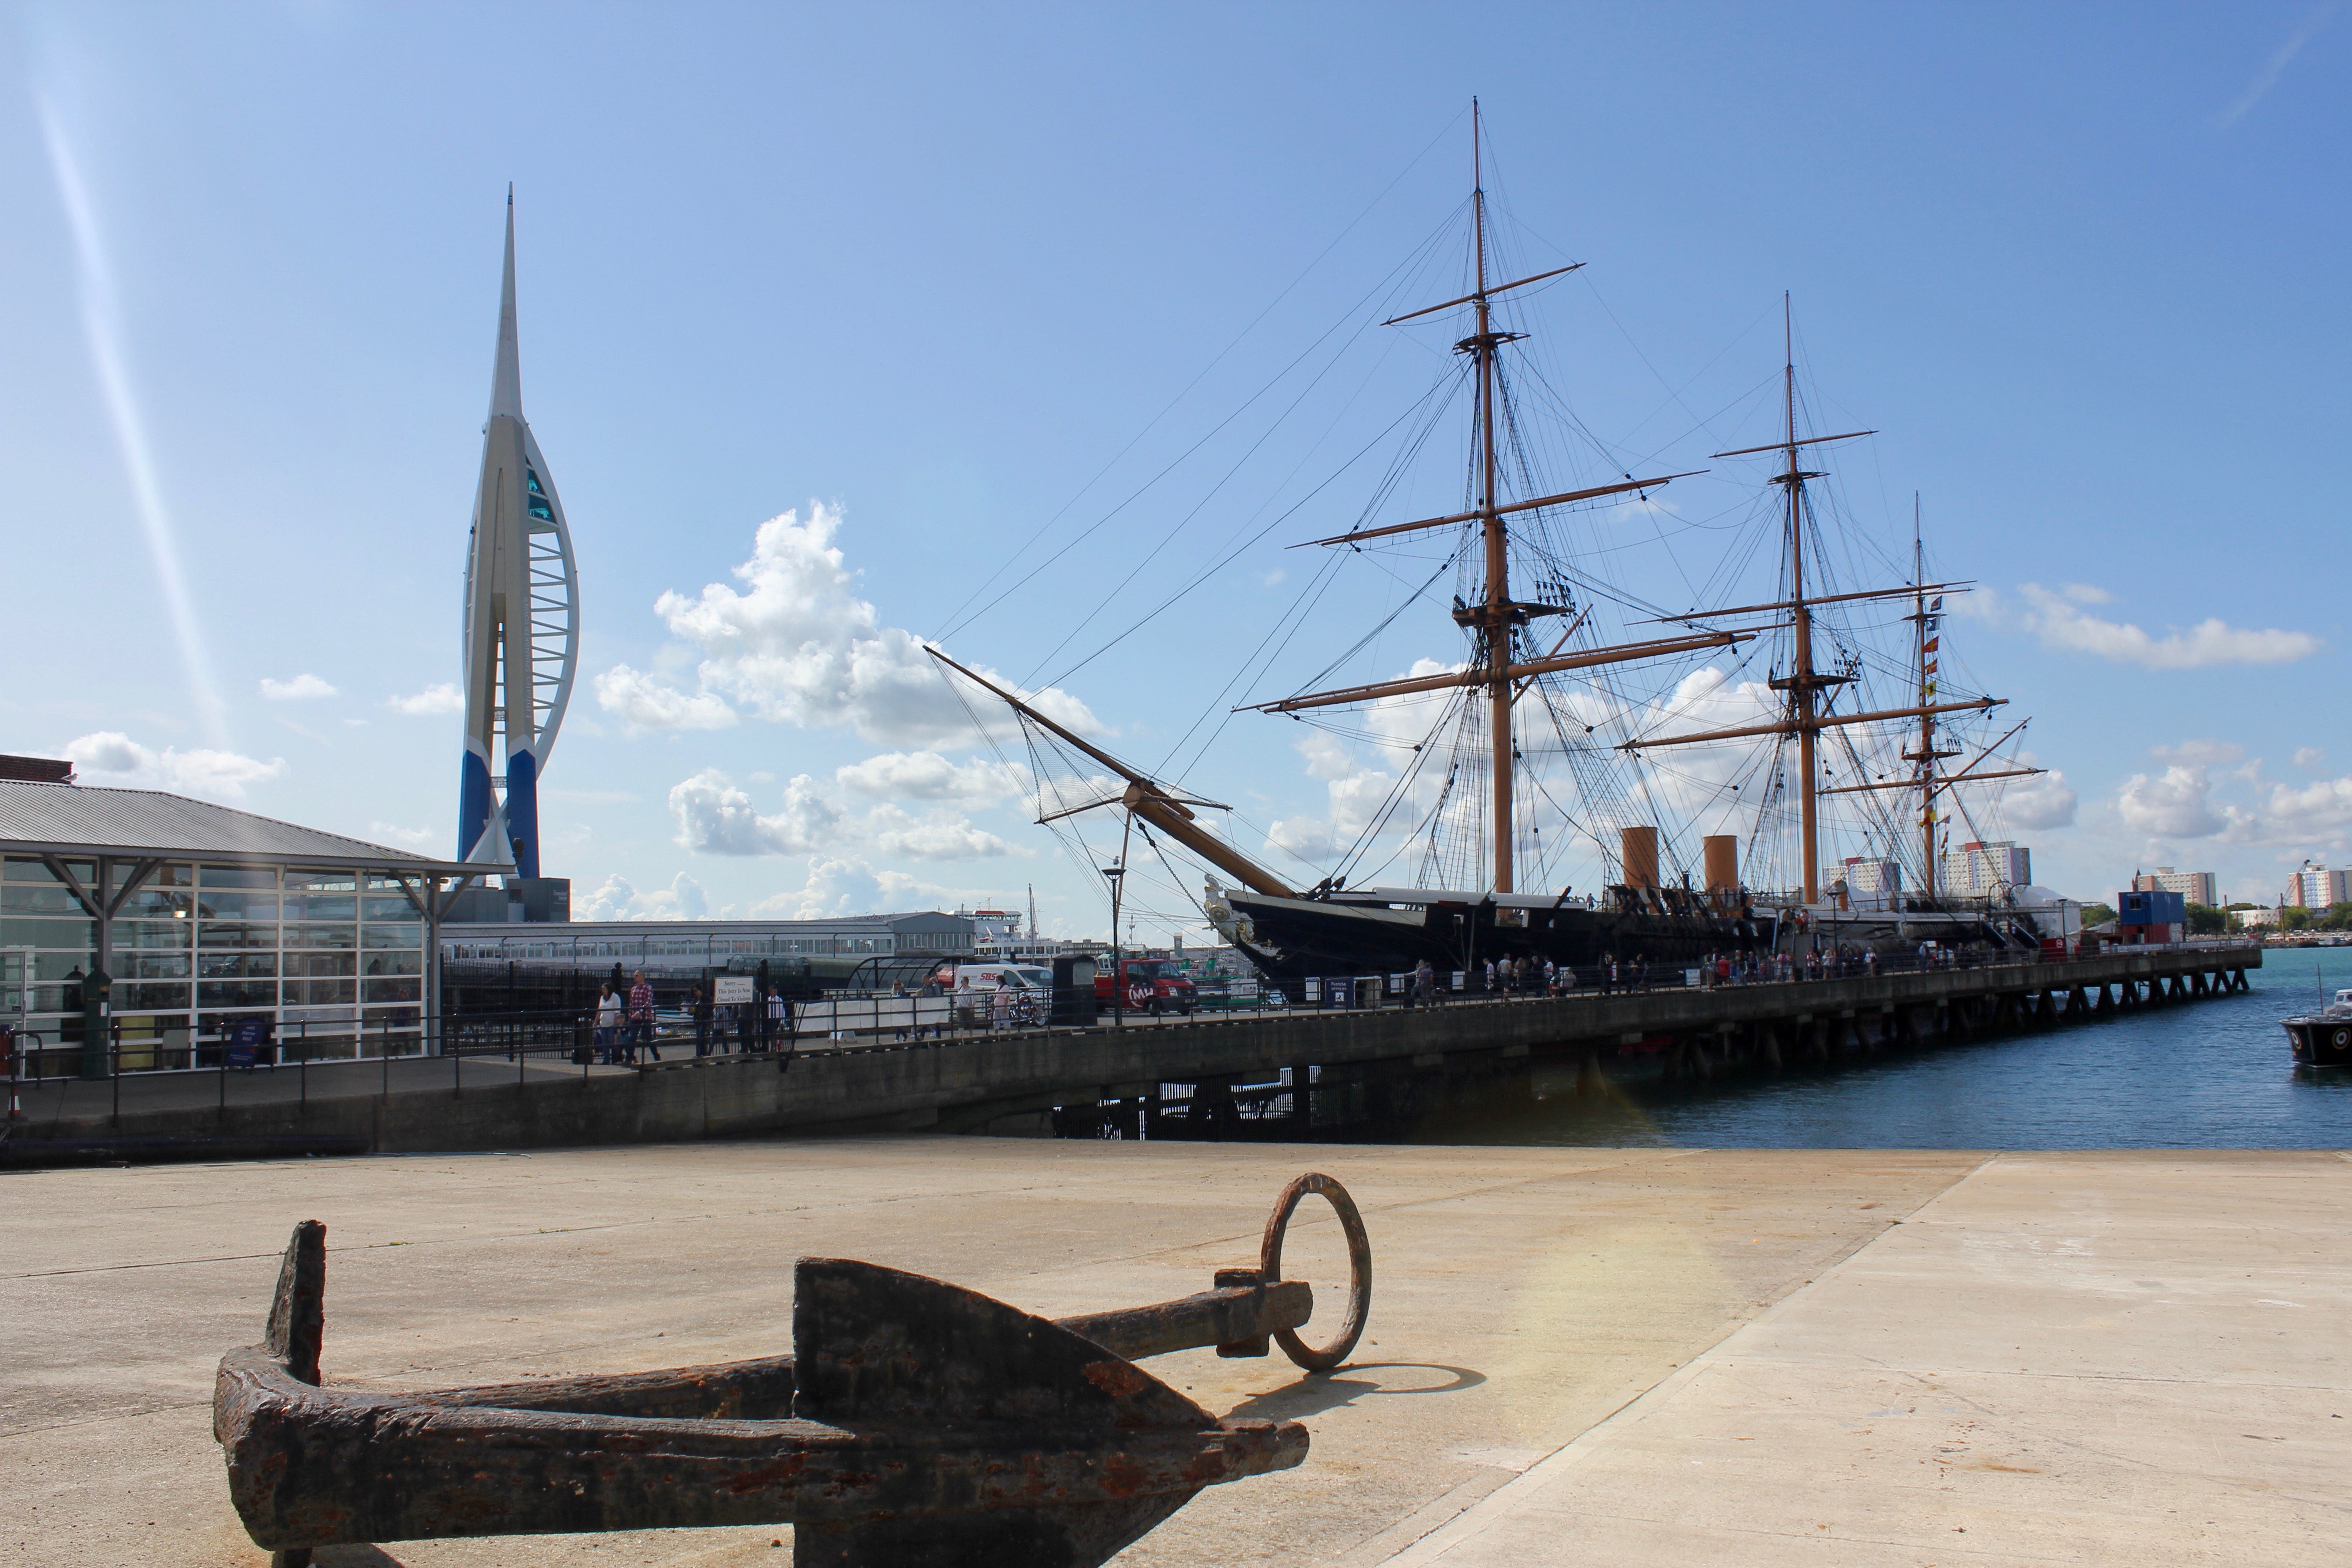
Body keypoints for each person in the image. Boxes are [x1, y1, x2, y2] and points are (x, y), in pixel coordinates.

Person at [627, 971, 658, 1062]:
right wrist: (630, 1017)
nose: (635, 978)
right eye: (634, 976)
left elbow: (648, 1002)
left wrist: (640, 1013)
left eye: (636, 976)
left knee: (648, 1038)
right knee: (632, 1038)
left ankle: (656, 1056)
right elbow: (631, 1004)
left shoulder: (648, 988)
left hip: (645, 1017)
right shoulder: (633, 989)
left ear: (642, 977)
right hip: (635, 1018)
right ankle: (629, 1059)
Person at [593, 982, 622, 1065]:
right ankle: (606, 1060)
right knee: (605, 1042)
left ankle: (615, 1059)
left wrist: (616, 1024)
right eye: (602, 989)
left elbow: (617, 1012)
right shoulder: (602, 998)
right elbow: (599, 1010)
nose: (603, 991)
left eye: (605, 989)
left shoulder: (615, 997)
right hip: (603, 1023)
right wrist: (596, 1021)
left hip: (612, 1023)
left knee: (611, 1040)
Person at [691, 982, 713, 1058]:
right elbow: (690, 1010)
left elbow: (709, 1009)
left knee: (701, 1035)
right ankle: (701, 1053)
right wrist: (691, 1011)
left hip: (704, 1019)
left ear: (700, 990)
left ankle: (702, 1053)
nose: (695, 993)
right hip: (697, 1019)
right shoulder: (694, 1000)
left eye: (696, 991)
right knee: (699, 1036)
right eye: (694, 991)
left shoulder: (706, 998)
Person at [766, 985, 789, 1051]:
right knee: (771, 1033)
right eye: (773, 991)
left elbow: (782, 1010)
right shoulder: (768, 999)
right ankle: (776, 1043)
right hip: (770, 1018)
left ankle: (773, 1047)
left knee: (774, 1032)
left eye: (775, 991)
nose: (774, 993)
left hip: (777, 1018)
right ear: (770, 992)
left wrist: (782, 1021)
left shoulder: (779, 999)